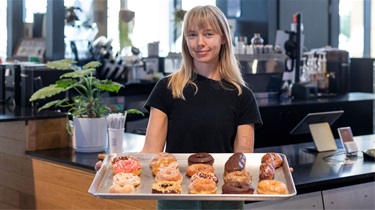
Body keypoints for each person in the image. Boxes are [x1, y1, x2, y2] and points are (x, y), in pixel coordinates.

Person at [140, 5, 263, 210]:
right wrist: (113, 168)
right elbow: (150, 152)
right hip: (175, 198)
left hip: (224, 201)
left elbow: (242, 161)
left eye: (208, 34)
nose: (199, 43)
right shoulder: (167, 88)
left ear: (223, 38)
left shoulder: (243, 96)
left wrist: (277, 171)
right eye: (192, 35)